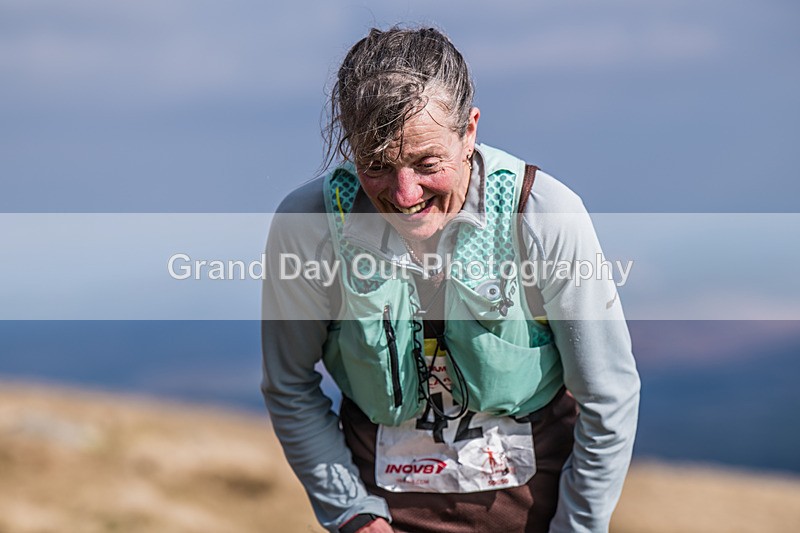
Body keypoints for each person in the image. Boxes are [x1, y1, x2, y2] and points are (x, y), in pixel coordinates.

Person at [261, 26, 640, 533]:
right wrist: (350, 512)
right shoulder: (308, 225)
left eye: (427, 163)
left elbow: (607, 395)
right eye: (376, 165)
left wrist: (577, 526)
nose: (403, 193)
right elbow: (289, 385)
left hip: (537, 511)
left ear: (470, 132)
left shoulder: (544, 216)